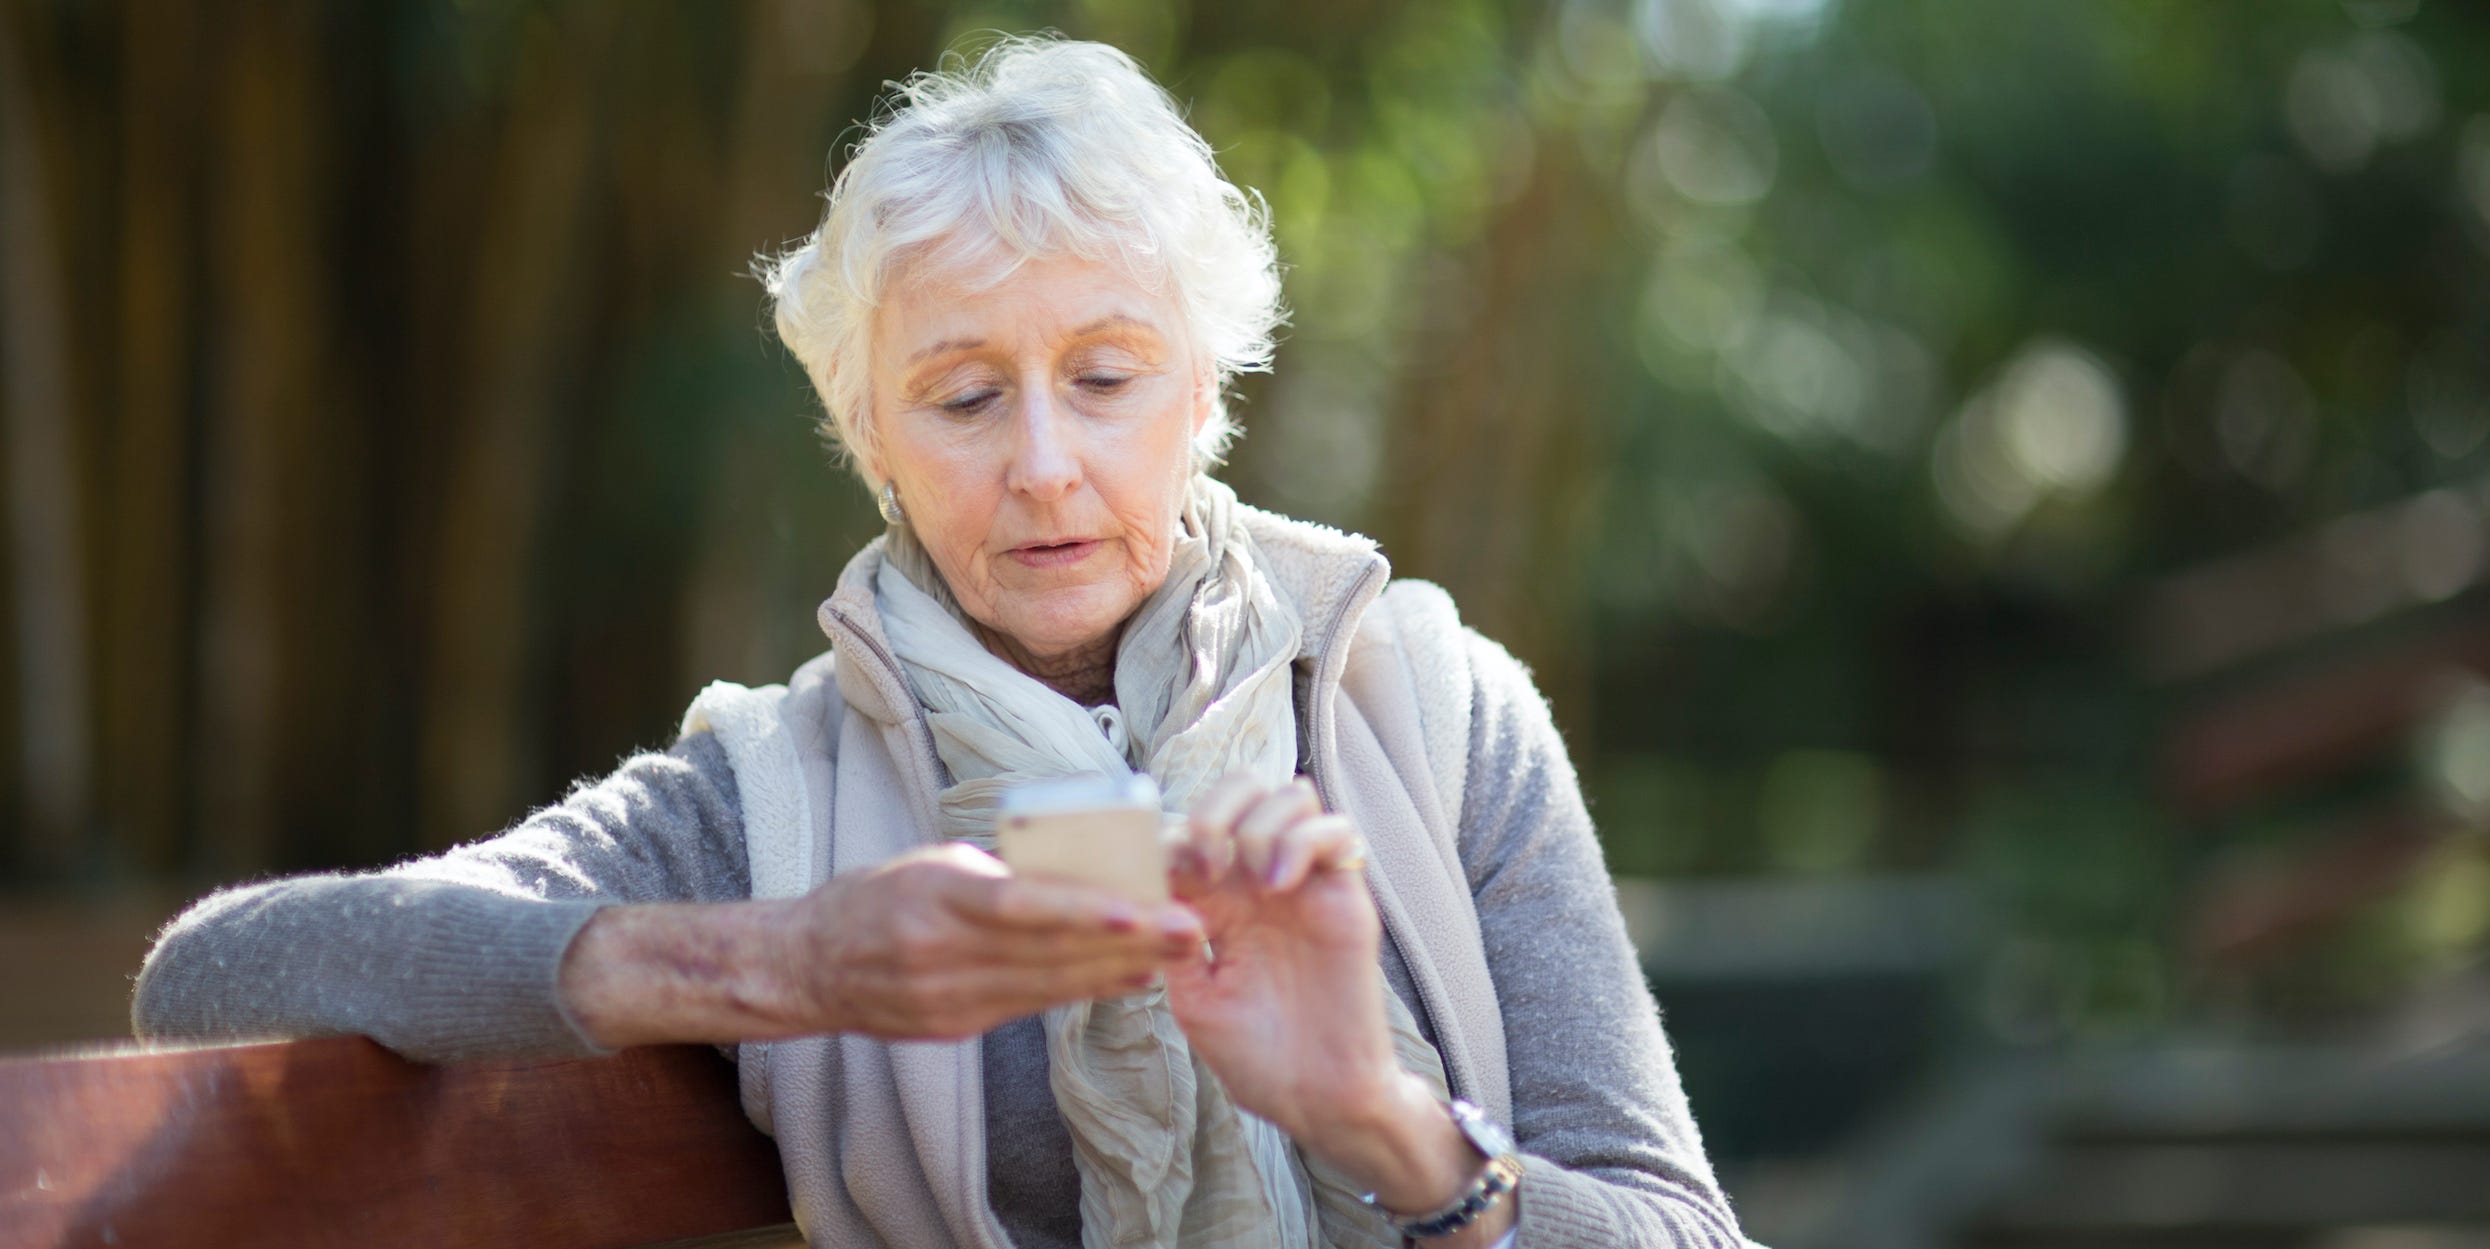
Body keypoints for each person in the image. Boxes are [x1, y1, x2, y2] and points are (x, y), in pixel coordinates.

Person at [133, 36, 1750, 1249]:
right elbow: (208, 974)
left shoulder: (1428, 705)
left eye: (1106, 378)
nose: (1041, 462)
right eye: (965, 397)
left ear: (1204, 396)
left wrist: (1380, 1120)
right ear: (871, 436)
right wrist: (770, 959)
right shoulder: (773, 795)